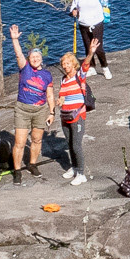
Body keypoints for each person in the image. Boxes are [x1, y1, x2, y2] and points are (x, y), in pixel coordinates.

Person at [7, 25, 55, 183]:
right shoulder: (25, 68)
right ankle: (17, 170)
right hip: (22, 109)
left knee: (36, 139)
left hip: (40, 110)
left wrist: (52, 112)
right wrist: (15, 39)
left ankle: (33, 164)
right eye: (32, 57)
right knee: (20, 142)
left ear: (41, 58)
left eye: (38, 56)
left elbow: (49, 94)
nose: (35, 59)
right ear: (29, 59)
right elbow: (18, 53)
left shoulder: (47, 75)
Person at [68, 0, 114, 78]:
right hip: (83, 25)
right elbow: (73, 7)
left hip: (97, 24)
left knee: (98, 48)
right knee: (88, 47)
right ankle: (92, 67)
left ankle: (105, 68)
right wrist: (73, 11)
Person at [54, 51, 92, 186]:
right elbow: (63, 95)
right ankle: (74, 167)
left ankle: (81, 173)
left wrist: (91, 51)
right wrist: (60, 101)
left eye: (67, 63)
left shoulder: (79, 76)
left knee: (76, 145)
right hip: (65, 115)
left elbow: (86, 64)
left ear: (74, 64)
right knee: (70, 143)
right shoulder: (63, 80)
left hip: (77, 116)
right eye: (63, 64)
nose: (65, 66)